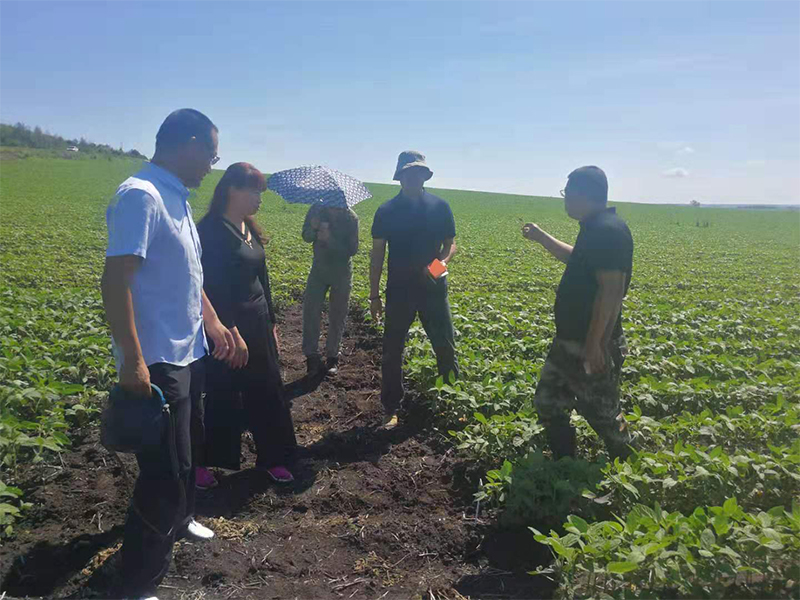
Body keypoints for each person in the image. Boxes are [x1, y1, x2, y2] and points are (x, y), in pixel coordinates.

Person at [101, 108, 234, 599]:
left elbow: (188, 276)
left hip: (188, 349)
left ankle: (181, 521)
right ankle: (137, 583)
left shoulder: (175, 197)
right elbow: (115, 281)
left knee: (188, 450)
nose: (211, 167)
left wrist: (212, 323)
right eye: (211, 156)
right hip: (157, 356)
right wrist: (132, 360)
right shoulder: (142, 195)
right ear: (189, 144)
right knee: (163, 473)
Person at [522, 166, 636, 460]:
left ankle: (628, 462)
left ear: (584, 194)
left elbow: (611, 291)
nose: (565, 199)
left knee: (603, 413)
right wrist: (542, 237)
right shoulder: (594, 227)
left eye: (567, 192)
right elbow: (578, 259)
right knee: (548, 402)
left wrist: (596, 344)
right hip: (569, 340)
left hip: (591, 342)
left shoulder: (608, 231)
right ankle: (565, 462)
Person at [197, 163, 297, 484]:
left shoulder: (248, 228)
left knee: (267, 389)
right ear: (232, 190)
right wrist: (230, 330)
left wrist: (271, 324)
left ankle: (273, 458)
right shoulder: (211, 231)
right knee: (222, 391)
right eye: (254, 191)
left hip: (257, 321)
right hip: (227, 326)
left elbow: (261, 280)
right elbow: (210, 286)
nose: (259, 198)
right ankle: (204, 463)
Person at [370, 151, 458, 429]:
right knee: (392, 350)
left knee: (444, 345)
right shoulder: (386, 211)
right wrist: (374, 295)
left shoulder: (440, 207)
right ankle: (391, 408)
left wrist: (438, 265)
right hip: (399, 290)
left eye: (418, 173)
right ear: (400, 177)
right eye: (408, 173)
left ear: (425, 176)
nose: (413, 177)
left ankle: (450, 403)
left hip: (434, 288)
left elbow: (450, 244)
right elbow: (377, 254)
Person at [301, 199, 359, 376]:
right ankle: (311, 356)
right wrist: (313, 228)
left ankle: (332, 356)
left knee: (338, 314)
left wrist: (330, 239)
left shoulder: (351, 218)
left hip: (341, 273)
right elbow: (306, 236)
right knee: (311, 311)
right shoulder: (316, 210)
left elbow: (353, 249)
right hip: (318, 269)